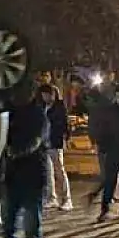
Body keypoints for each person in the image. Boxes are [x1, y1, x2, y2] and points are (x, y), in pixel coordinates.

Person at [0, 80, 50, 238]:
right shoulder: (8, 114)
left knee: (31, 233)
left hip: (33, 179)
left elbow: (35, 142)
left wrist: (11, 152)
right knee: (9, 230)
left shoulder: (38, 116)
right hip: (11, 179)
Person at [91, 85, 119, 222]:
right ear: (115, 97)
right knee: (110, 182)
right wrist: (103, 147)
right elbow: (102, 130)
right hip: (112, 152)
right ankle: (105, 210)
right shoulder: (108, 112)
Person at [39, 83, 72, 211]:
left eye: (48, 94)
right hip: (44, 143)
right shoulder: (42, 107)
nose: (45, 97)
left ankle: (66, 199)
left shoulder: (59, 107)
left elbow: (64, 125)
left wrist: (64, 139)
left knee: (59, 171)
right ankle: (51, 198)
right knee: (48, 171)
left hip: (55, 142)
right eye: (44, 95)